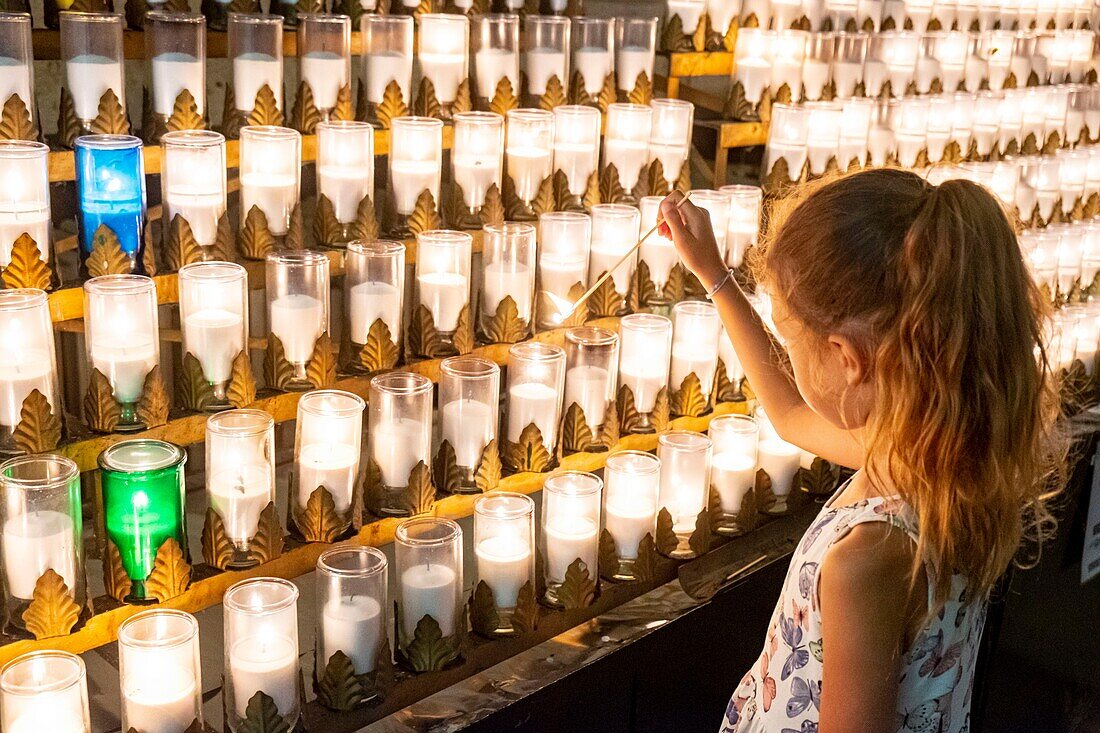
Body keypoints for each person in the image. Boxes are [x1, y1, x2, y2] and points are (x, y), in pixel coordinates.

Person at [658, 169, 1063, 733]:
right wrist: (715, 275)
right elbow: (791, 416)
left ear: (846, 358)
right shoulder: (937, 463)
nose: (790, 361)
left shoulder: (867, 558)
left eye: (792, 340)